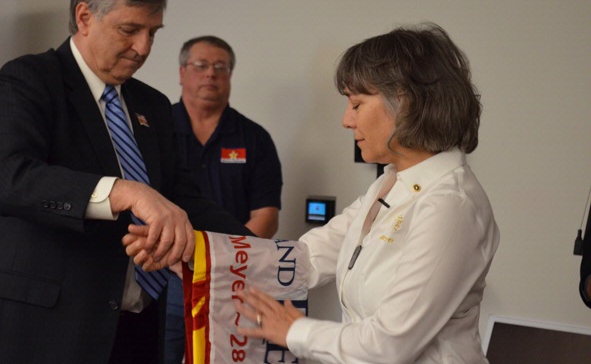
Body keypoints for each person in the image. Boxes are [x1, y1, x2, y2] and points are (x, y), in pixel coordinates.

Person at [125, 23, 500, 363]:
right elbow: (304, 259)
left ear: (404, 102)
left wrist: (292, 331)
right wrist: (196, 251)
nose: (345, 120)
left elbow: (390, 344)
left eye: (356, 104)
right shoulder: (389, 184)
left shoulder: (450, 205)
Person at [0, 0, 252, 363]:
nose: (144, 48)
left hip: (131, 331)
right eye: (130, 30)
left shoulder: (152, 105)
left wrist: (258, 252)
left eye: (153, 33)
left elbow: (183, 198)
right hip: (40, 333)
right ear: (84, 17)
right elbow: (10, 179)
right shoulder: (29, 79)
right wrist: (123, 192)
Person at [164, 36, 283, 363]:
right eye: (200, 66)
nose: (210, 75)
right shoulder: (155, 130)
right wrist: (179, 261)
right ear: (182, 72)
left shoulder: (254, 138)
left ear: (230, 76)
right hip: (165, 280)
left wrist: (225, 263)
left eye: (221, 68)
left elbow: (267, 216)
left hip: (234, 283)